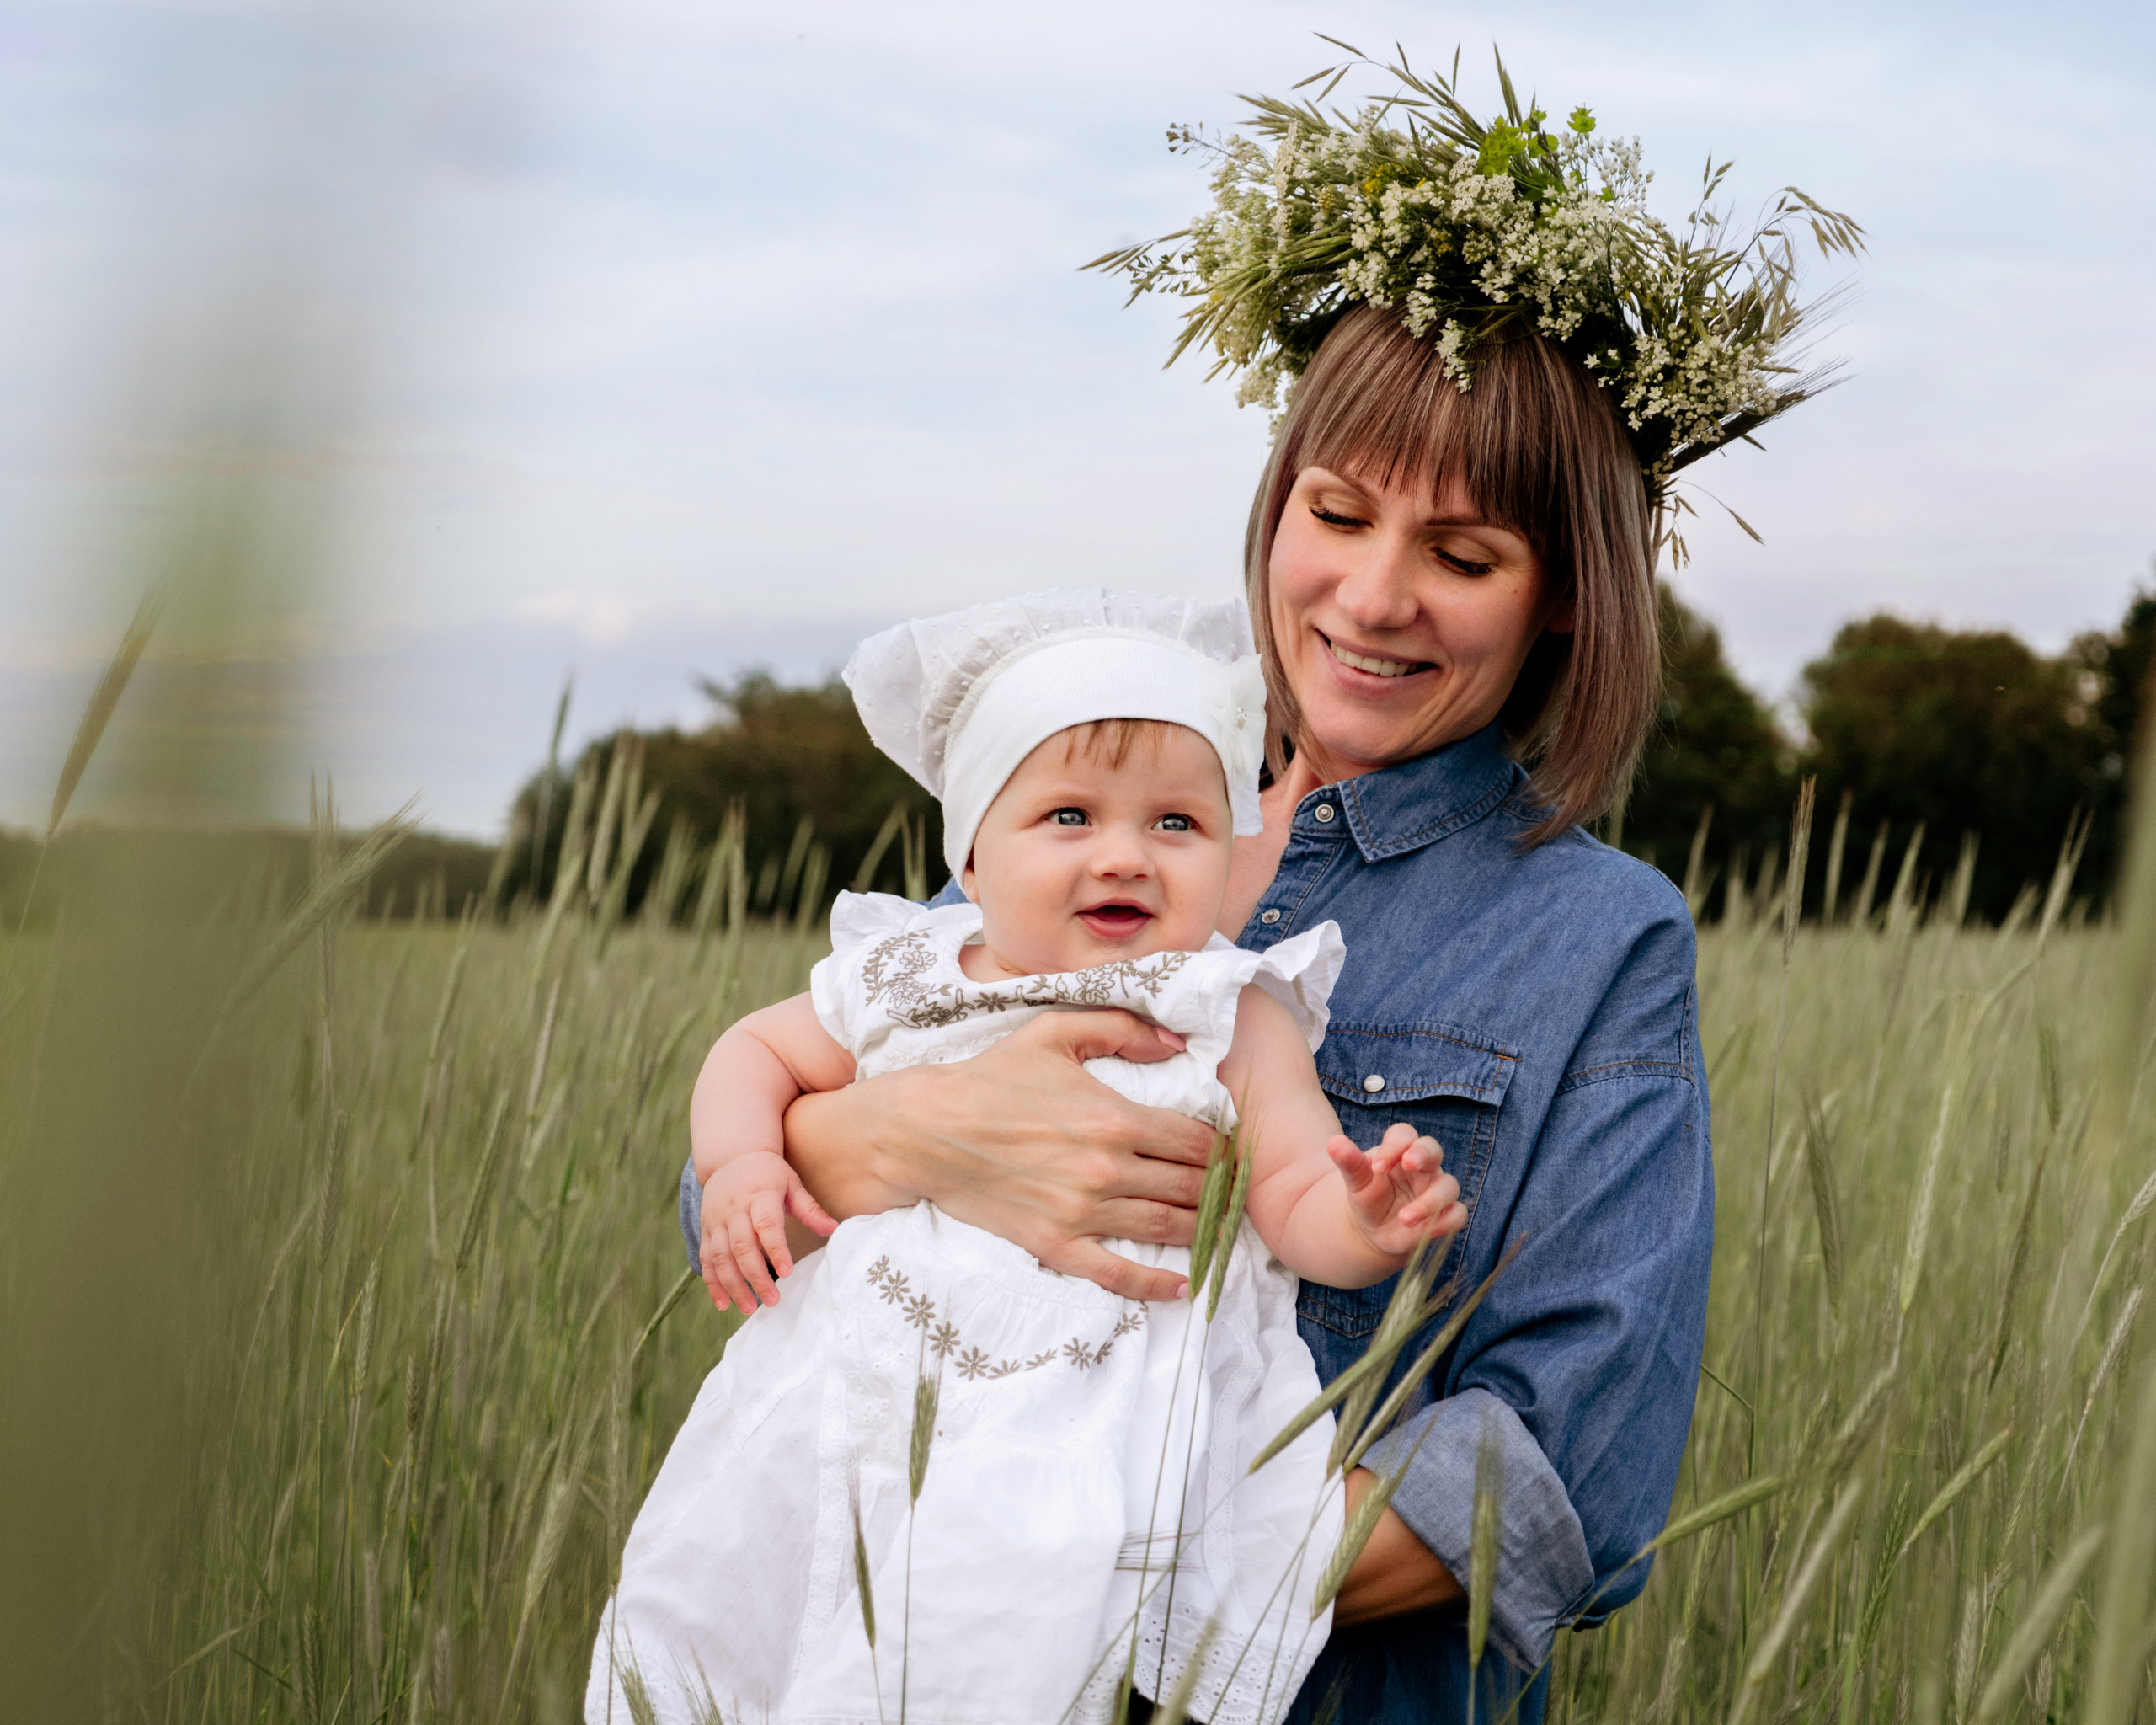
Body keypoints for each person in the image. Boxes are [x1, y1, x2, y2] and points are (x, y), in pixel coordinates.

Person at [681, 55, 1854, 1723]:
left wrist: (1120, 1587)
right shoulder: (1085, 803)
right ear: (1276, 500)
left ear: (1562, 600)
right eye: (1338, 513)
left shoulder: (1594, 937)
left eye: (1461, 555)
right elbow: (753, 1221)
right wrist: (889, 1140)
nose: (1372, 597)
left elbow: (1558, 1466)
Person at [598, 593, 1469, 1725]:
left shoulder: (1226, 1006)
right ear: (970, 846)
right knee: (751, 1605)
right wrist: (740, 1168)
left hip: (1098, 1432)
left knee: (1015, 1656)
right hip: (856, 1391)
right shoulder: (914, 972)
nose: (1127, 856)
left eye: (1176, 825)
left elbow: (1296, 1183)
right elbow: (753, 1051)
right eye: (1068, 817)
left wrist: (1363, 1221)